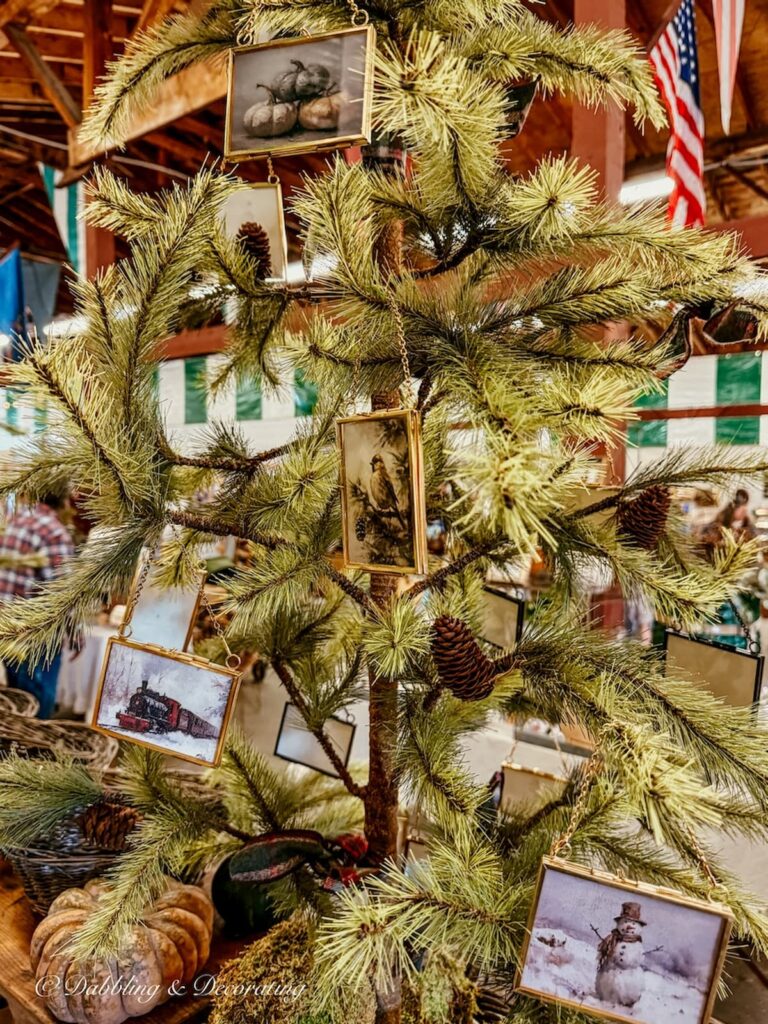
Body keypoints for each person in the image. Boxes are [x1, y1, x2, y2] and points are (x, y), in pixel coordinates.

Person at [0, 492, 75, 717]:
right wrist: (76, 634)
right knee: (37, 705)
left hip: (8, 630)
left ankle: (17, 748)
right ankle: (32, 751)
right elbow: (64, 594)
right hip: (36, 636)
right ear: (63, 501)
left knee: (16, 701)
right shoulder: (53, 532)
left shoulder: (13, 522)